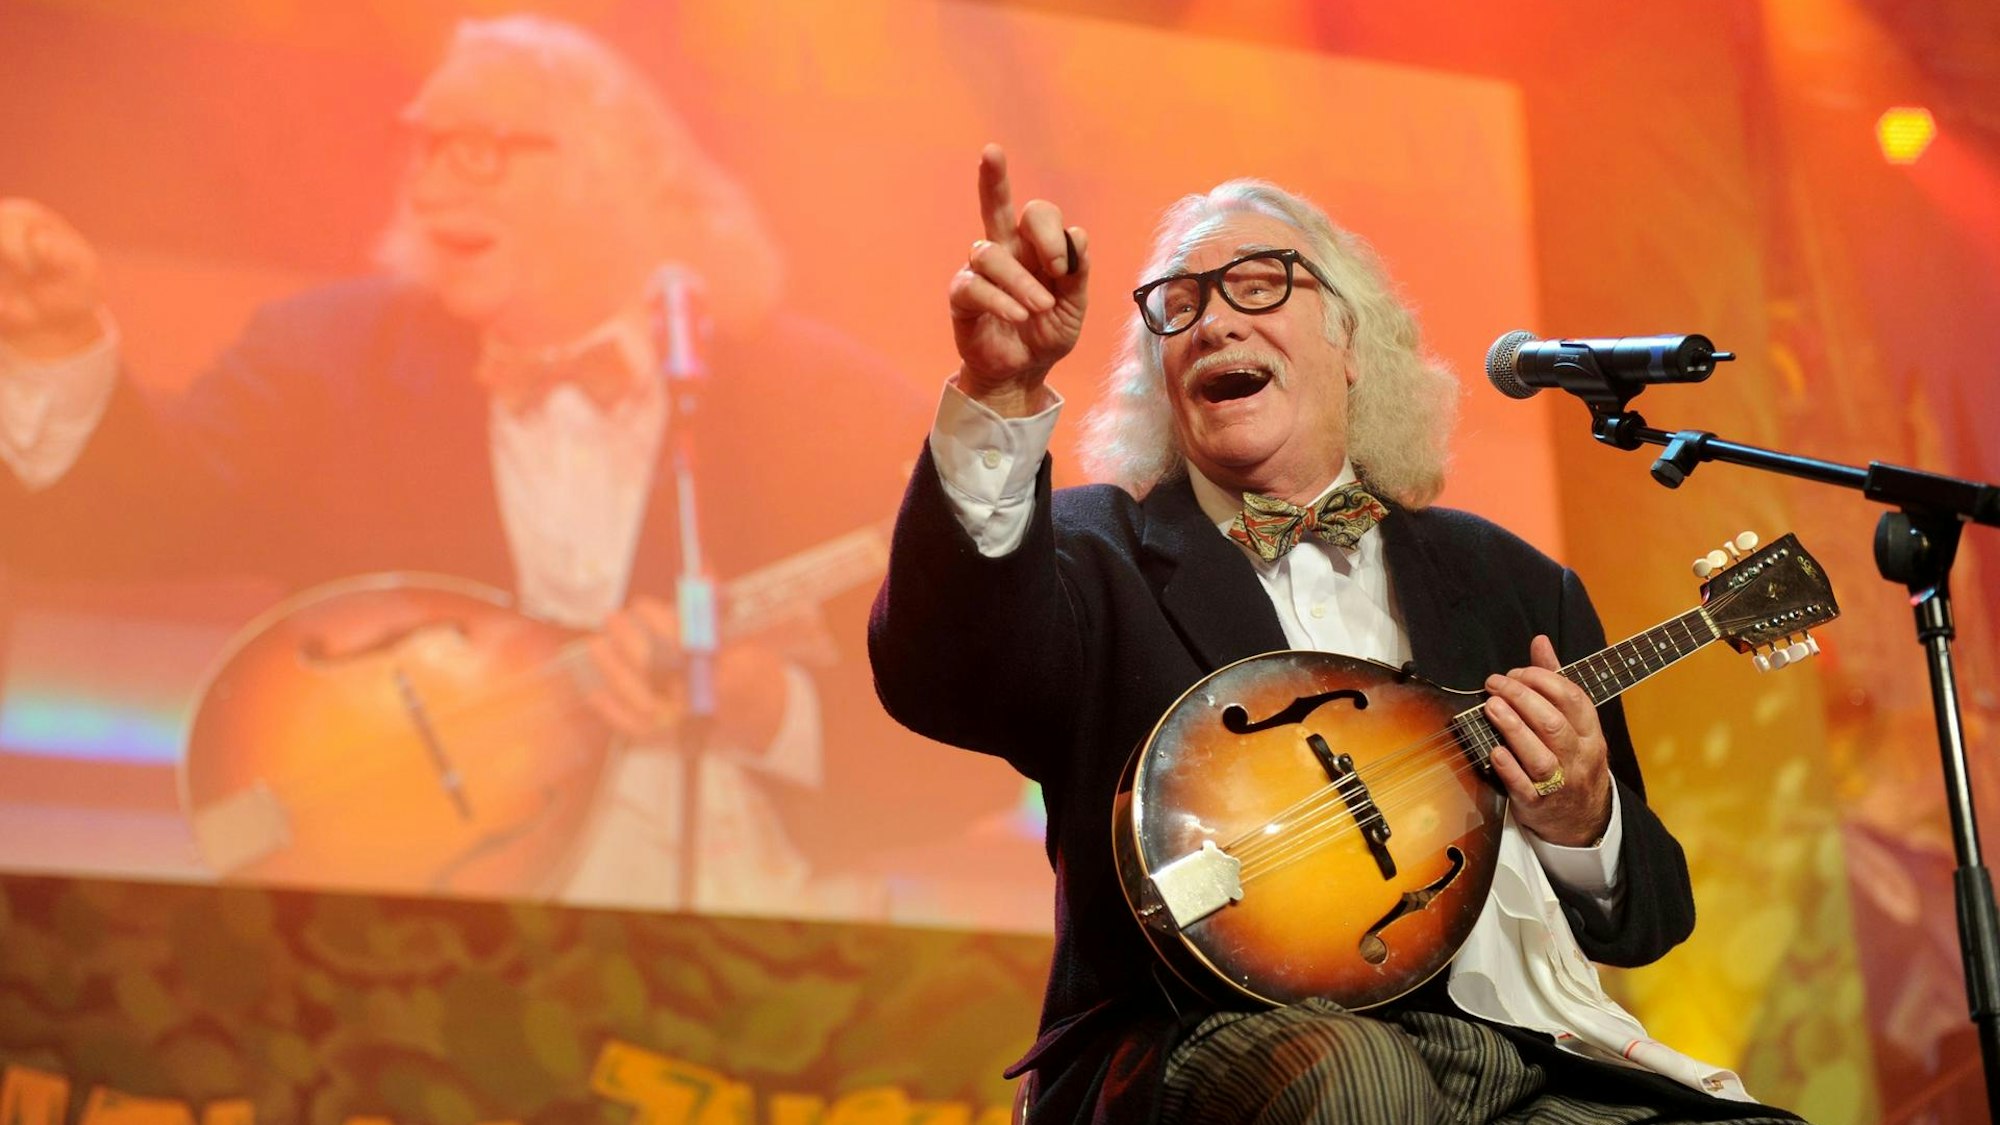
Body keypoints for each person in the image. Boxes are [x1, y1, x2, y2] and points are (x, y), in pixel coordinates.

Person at [869, 146, 1803, 1123]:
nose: (1214, 319)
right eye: (1176, 305)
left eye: (1257, 284)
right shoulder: (1093, 552)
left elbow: (1648, 916)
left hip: (1518, 1060)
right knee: (1358, 1083)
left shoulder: (1514, 584)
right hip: (1203, 1041)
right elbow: (940, 670)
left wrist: (1581, 822)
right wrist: (998, 392)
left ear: (1351, 342)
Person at [0, 15, 987, 917]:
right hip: (422, 953)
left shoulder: (821, 402)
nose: (430, 191)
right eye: (422, 149)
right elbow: (127, 515)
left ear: (626, 169)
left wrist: (766, 708)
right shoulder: (327, 360)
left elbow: (979, 716)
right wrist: (56, 349)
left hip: (752, 958)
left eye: (480, 153)